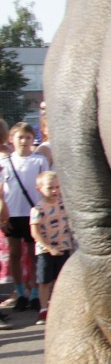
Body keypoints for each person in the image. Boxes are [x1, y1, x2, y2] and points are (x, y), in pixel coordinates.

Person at [0, 122, 51, 312]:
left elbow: (44, 187)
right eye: (20, 137)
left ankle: (36, 293)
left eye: (28, 137)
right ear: (12, 139)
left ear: (32, 139)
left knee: (34, 254)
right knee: (15, 254)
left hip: (33, 213)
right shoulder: (4, 162)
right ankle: (20, 292)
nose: (24, 141)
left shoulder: (39, 161)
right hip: (12, 215)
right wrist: (2, 219)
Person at [29, 170, 73, 325]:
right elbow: (35, 232)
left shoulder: (64, 205)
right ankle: (43, 309)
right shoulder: (38, 209)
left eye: (57, 187)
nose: (55, 191)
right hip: (45, 251)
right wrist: (48, 247)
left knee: (60, 280)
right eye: (50, 188)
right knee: (44, 280)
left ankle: (59, 308)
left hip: (64, 247)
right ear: (39, 189)